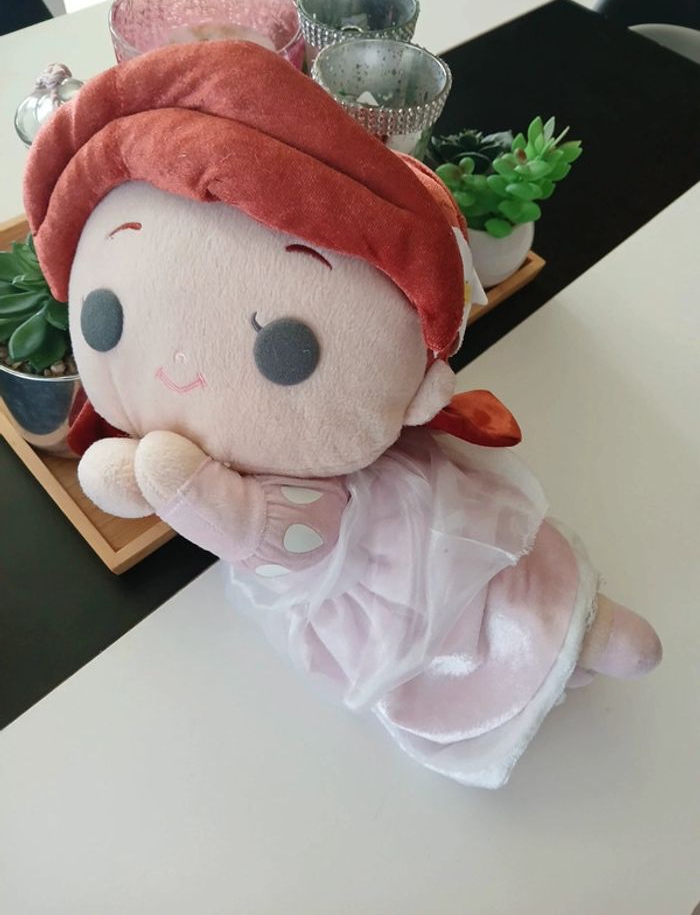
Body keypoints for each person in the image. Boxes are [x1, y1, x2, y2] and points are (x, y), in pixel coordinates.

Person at [24, 41, 661, 788]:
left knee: (474, 605)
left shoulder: (274, 493)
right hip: (308, 524)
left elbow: (278, 535)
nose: (180, 369)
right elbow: (143, 470)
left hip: (371, 541)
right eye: (106, 316)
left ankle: (572, 641)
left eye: (285, 351)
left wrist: (179, 487)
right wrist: (136, 475)